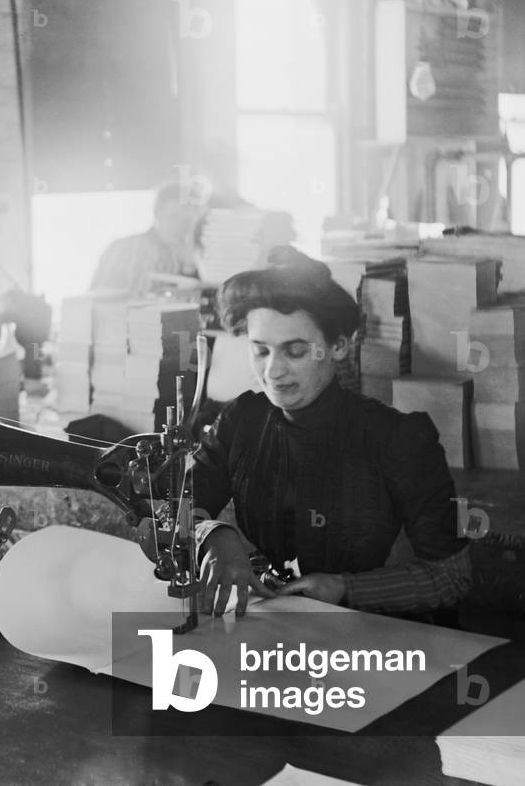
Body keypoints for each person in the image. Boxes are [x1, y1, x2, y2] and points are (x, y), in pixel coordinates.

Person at [193, 246, 471, 618]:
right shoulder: (242, 420)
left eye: (295, 351)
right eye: (260, 351)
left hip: (372, 637)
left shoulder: (400, 439)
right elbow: (163, 512)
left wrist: (346, 588)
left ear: (339, 346)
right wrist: (210, 533)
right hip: (274, 626)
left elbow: (451, 576)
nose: (273, 372)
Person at [89, 182, 203, 295]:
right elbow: (97, 296)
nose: (180, 225)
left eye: (187, 220)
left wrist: (189, 266)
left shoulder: (192, 257)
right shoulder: (125, 248)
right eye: (174, 216)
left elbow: (191, 300)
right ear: (157, 212)